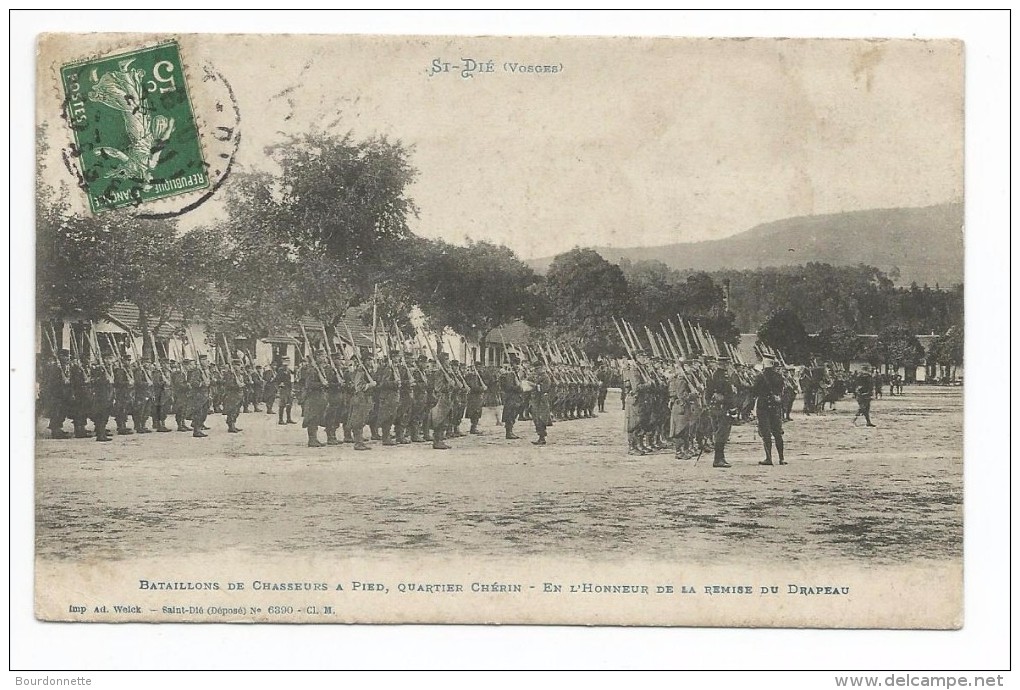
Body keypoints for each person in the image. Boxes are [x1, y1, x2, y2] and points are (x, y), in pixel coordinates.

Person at [751, 357, 787, 466]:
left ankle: (769, 458)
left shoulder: (760, 377)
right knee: (777, 433)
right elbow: (782, 391)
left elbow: (754, 392)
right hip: (775, 406)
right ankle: (781, 458)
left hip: (763, 407)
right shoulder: (779, 377)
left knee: (766, 433)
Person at [705, 356, 736, 468]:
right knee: (721, 433)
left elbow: (707, 394)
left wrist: (710, 404)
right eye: (727, 363)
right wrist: (732, 408)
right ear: (724, 364)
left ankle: (720, 458)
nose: (728, 365)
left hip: (716, 408)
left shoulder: (714, 375)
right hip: (722, 408)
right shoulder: (722, 377)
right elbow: (727, 395)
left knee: (720, 433)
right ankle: (718, 459)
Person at [300, 351, 329, 447]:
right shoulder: (312, 370)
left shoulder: (320, 369)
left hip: (319, 396)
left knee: (317, 418)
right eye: (322, 356)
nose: (324, 358)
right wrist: (322, 384)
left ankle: (315, 439)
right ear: (317, 357)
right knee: (312, 418)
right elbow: (309, 384)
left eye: (324, 356)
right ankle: (312, 440)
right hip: (313, 397)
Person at [498, 355, 523, 440]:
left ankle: (510, 431)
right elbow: (509, 387)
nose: (519, 366)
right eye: (517, 364)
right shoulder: (510, 375)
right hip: (511, 397)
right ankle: (509, 432)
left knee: (513, 414)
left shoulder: (516, 374)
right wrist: (519, 388)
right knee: (510, 414)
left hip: (516, 398)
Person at [531, 361, 553, 445]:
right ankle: (540, 436)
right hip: (537, 400)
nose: (536, 370)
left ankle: (542, 437)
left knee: (541, 418)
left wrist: (535, 386)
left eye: (537, 369)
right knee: (536, 418)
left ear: (541, 368)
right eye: (535, 369)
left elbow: (544, 388)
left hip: (542, 400)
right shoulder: (539, 376)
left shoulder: (545, 377)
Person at [222, 358, 245, 433]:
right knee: (231, 411)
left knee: (236, 411)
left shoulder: (239, 374)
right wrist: (238, 386)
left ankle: (233, 425)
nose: (238, 367)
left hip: (238, 395)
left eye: (239, 365)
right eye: (237, 365)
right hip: (232, 395)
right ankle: (231, 426)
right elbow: (228, 385)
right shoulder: (230, 374)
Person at [275, 357, 296, 425]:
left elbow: (293, 373)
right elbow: (277, 379)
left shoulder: (288, 369)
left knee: (289, 404)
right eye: (286, 361)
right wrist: (280, 385)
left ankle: (288, 419)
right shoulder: (281, 369)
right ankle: (280, 420)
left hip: (289, 388)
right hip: (283, 388)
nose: (287, 362)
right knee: (282, 404)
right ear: (282, 361)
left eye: (288, 361)